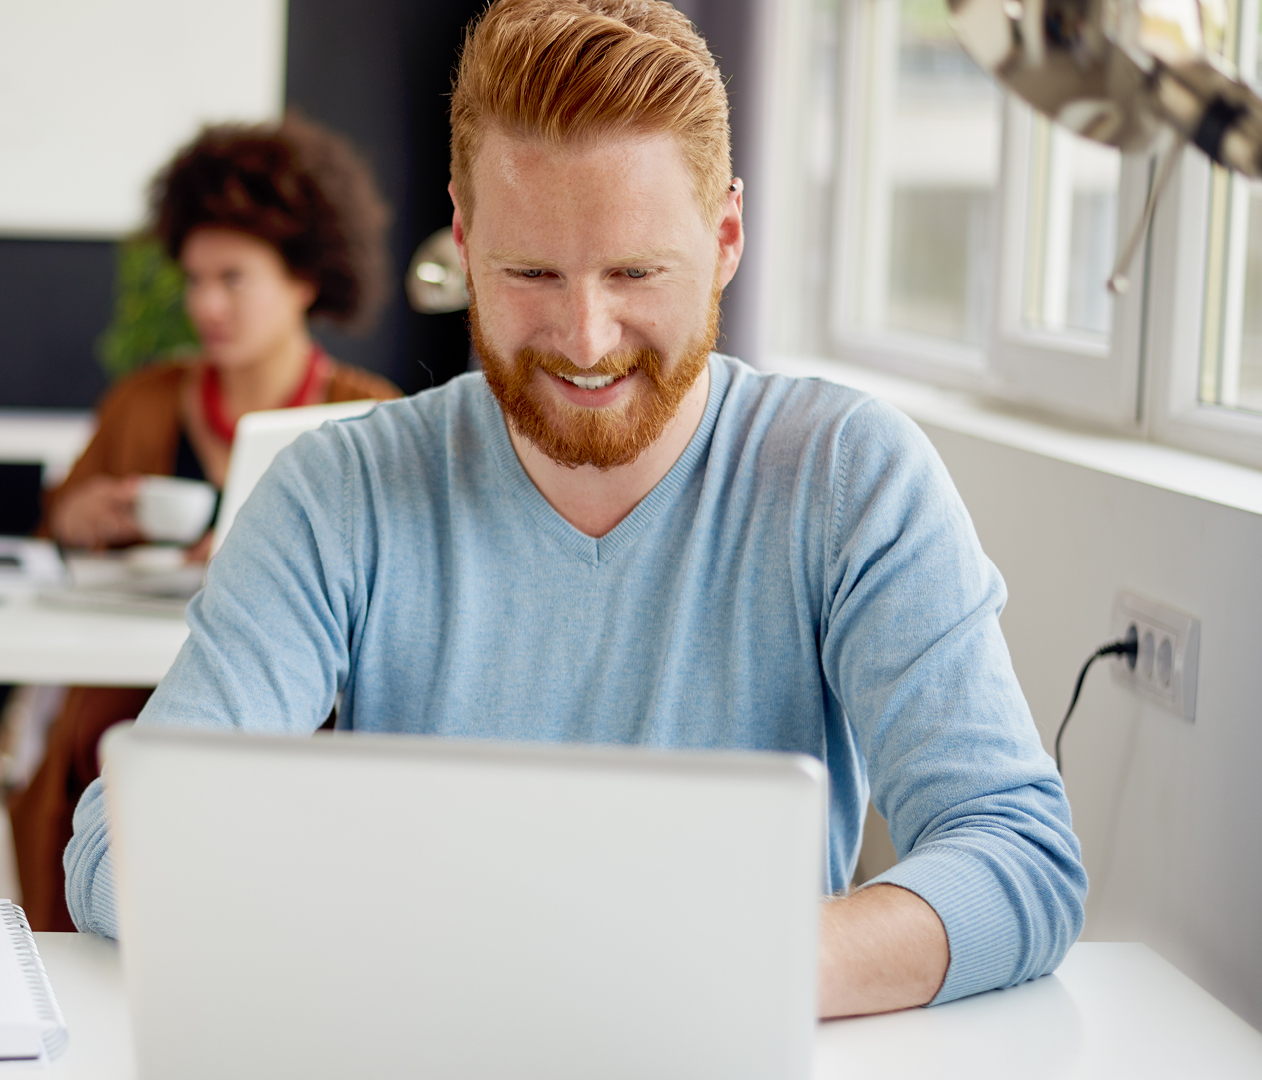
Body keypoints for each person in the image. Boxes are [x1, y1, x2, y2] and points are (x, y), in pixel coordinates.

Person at [62, 0, 1087, 1019]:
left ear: (726, 235)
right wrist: (385, 949)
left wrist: (724, 968)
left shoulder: (850, 478)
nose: (586, 339)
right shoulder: (343, 491)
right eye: (530, 274)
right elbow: (121, 844)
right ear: (464, 243)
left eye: (636, 272)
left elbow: (1018, 854)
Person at [9, 115, 402, 931]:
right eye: (195, 279)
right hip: (133, 681)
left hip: (296, 696)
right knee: (95, 734)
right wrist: (78, 516)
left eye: (233, 278)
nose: (205, 304)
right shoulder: (144, 401)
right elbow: (60, 522)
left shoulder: (370, 417)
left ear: (303, 279)